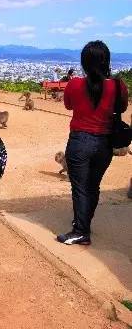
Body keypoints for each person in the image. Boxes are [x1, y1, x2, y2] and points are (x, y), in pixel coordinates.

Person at [58, 41, 128, 245]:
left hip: (80, 141)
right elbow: (121, 107)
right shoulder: (117, 85)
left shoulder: (74, 84)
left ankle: (81, 231)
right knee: (93, 186)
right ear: (107, 61)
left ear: (84, 62)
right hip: (105, 143)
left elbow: (68, 105)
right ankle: (84, 223)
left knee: (79, 187)